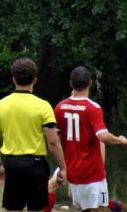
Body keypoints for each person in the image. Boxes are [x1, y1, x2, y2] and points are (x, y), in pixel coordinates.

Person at [0, 57, 67, 212]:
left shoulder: (1, 105)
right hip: (36, 165)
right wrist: (63, 167)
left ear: (13, 79)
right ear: (35, 80)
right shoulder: (43, 106)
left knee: (13, 208)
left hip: (12, 164)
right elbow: (53, 142)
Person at [53, 66, 127, 211]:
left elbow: (57, 138)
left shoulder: (59, 107)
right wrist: (121, 140)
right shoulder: (93, 108)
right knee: (101, 209)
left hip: (73, 172)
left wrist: (63, 166)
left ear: (70, 83)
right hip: (92, 174)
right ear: (90, 83)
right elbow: (103, 136)